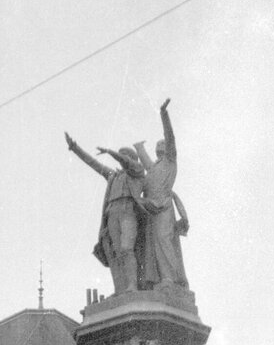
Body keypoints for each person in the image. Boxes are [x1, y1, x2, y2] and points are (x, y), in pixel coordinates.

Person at [64, 131, 146, 295]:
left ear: (131, 159)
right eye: (120, 155)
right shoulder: (112, 175)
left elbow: (126, 162)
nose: (121, 158)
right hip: (112, 213)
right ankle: (120, 289)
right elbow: (93, 163)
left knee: (126, 248)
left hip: (128, 211)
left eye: (124, 156)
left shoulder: (137, 171)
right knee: (115, 254)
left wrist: (110, 152)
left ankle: (132, 286)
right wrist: (75, 148)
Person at [133, 98, 189, 290]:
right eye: (158, 145)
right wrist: (139, 148)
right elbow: (146, 162)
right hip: (151, 208)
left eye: (162, 144)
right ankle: (159, 279)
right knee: (154, 245)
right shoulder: (155, 167)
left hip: (163, 206)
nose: (159, 146)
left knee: (164, 241)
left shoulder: (170, 161)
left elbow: (170, 136)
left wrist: (163, 114)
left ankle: (169, 279)